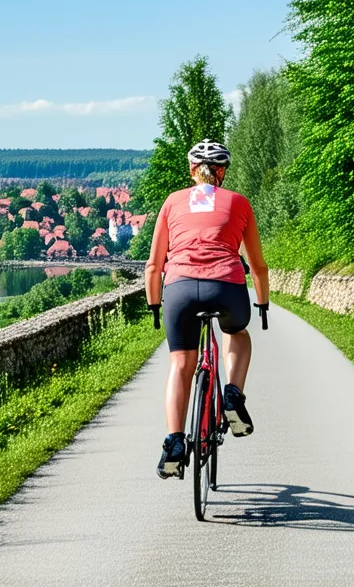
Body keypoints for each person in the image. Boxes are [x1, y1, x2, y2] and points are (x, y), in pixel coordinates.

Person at [144, 139, 270, 479]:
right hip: (226, 287)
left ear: (191, 171)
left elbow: (154, 266)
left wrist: (155, 305)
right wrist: (263, 303)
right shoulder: (239, 202)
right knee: (237, 333)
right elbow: (258, 266)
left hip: (180, 291)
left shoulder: (172, 202)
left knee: (180, 362)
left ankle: (174, 441)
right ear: (222, 172)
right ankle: (232, 394)